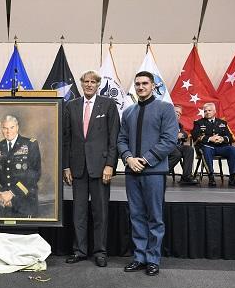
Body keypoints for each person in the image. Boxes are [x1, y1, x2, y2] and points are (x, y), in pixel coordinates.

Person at [117, 71, 178, 276]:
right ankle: (139, 257)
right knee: (136, 216)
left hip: (153, 171)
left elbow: (170, 140)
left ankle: (153, 259)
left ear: (153, 85)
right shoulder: (128, 112)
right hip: (132, 171)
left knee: (155, 216)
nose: (141, 87)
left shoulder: (165, 108)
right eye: (137, 84)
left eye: (145, 83)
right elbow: (121, 140)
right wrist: (128, 158)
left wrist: (145, 159)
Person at [63, 70, 120, 267]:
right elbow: (66, 139)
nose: (88, 85)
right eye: (85, 81)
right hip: (77, 168)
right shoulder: (71, 106)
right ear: (81, 84)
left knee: (100, 213)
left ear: (98, 85)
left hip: (100, 167)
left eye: (92, 82)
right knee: (78, 213)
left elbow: (114, 139)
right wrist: (66, 166)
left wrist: (110, 165)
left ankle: (100, 252)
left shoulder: (109, 105)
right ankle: (79, 251)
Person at [0, 115, 41, 218]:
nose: (8, 131)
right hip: (1, 198)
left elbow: (34, 174)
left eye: (12, 127)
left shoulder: (30, 144)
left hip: (24, 198)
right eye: (5, 128)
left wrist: (12, 193)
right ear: (2, 129)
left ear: (17, 127)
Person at [191, 102, 235, 187]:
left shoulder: (222, 123)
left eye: (209, 110)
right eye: (205, 111)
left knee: (233, 150)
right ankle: (211, 177)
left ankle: (232, 177)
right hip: (208, 147)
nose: (207, 112)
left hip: (221, 147)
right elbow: (195, 136)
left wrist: (222, 139)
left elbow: (230, 137)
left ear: (214, 111)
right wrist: (210, 139)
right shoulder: (198, 123)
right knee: (206, 150)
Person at [168, 105, 198, 185]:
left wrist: (182, 134)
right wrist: (175, 135)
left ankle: (186, 177)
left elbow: (184, 134)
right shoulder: (164, 122)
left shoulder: (179, 125)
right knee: (177, 154)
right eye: (176, 112)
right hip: (167, 145)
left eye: (180, 113)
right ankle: (161, 174)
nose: (178, 114)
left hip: (178, 145)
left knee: (189, 149)